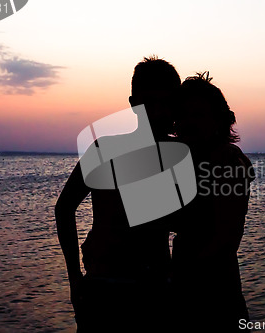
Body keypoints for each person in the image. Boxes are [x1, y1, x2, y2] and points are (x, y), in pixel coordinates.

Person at [55, 56, 180, 332]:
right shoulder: (105, 150)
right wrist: (74, 278)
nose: (159, 112)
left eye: (167, 103)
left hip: (158, 287)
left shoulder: (184, 154)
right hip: (104, 286)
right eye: (150, 104)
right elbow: (64, 207)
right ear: (134, 105)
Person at [171, 72, 255, 331]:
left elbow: (226, 239)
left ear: (218, 121)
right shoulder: (191, 163)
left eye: (198, 115)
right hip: (185, 293)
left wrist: (178, 280)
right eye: (183, 115)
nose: (188, 123)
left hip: (215, 296)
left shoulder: (228, 162)